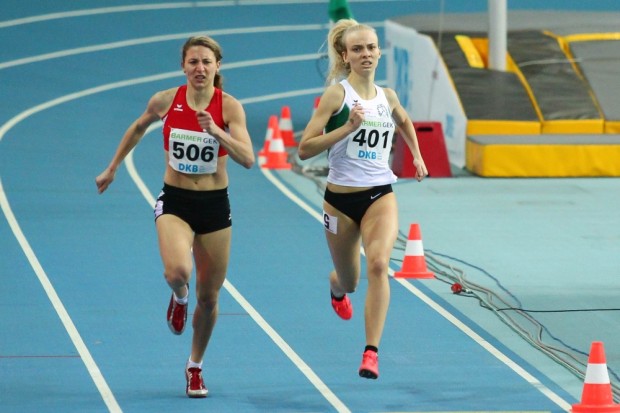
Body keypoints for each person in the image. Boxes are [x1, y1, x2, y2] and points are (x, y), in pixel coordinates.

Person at [95, 35, 255, 397]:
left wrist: (216, 131)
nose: (200, 68)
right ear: (183, 66)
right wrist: (113, 167)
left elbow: (248, 158)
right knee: (177, 272)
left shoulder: (229, 108)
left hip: (215, 206)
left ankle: (194, 366)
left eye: (206, 62)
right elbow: (138, 127)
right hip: (176, 201)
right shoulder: (166, 100)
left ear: (218, 66)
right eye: (193, 62)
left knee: (211, 298)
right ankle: (179, 296)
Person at [298, 19, 428, 380]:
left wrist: (416, 155)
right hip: (339, 202)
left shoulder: (388, 96)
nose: (366, 54)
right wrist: (346, 128)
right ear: (345, 55)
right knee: (351, 280)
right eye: (357, 49)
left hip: (379, 196)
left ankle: (371, 351)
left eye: (371, 47)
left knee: (378, 265)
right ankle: (336, 287)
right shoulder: (337, 96)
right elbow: (304, 149)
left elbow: (403, 121)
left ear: (379, 52)